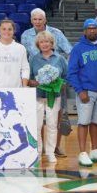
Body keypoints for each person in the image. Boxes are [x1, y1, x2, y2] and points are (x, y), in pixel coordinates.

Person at [68, 18, 97, 165]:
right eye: (89, 28)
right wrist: (80, 91)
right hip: (86, 92)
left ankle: (95, 151)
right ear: (84, 31)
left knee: (96, 123)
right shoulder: (77, 48)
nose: (92, 30)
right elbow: (72, 73)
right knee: (83, 122)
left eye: (94, 28)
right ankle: (82, 153)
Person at [28, 31, 68, 165]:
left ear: (52, 43)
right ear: (38, 44)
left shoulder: (60, 59)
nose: (44, 44)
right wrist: (36, 82)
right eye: (41, 42)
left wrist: (59, 84)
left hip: (54, 96)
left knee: (52, 124)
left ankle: (50, 152)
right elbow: (28, 79)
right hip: (37, 96)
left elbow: (66, 78)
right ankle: (37, 152)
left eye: (47, 42)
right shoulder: (33, 59)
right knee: (37, 125)